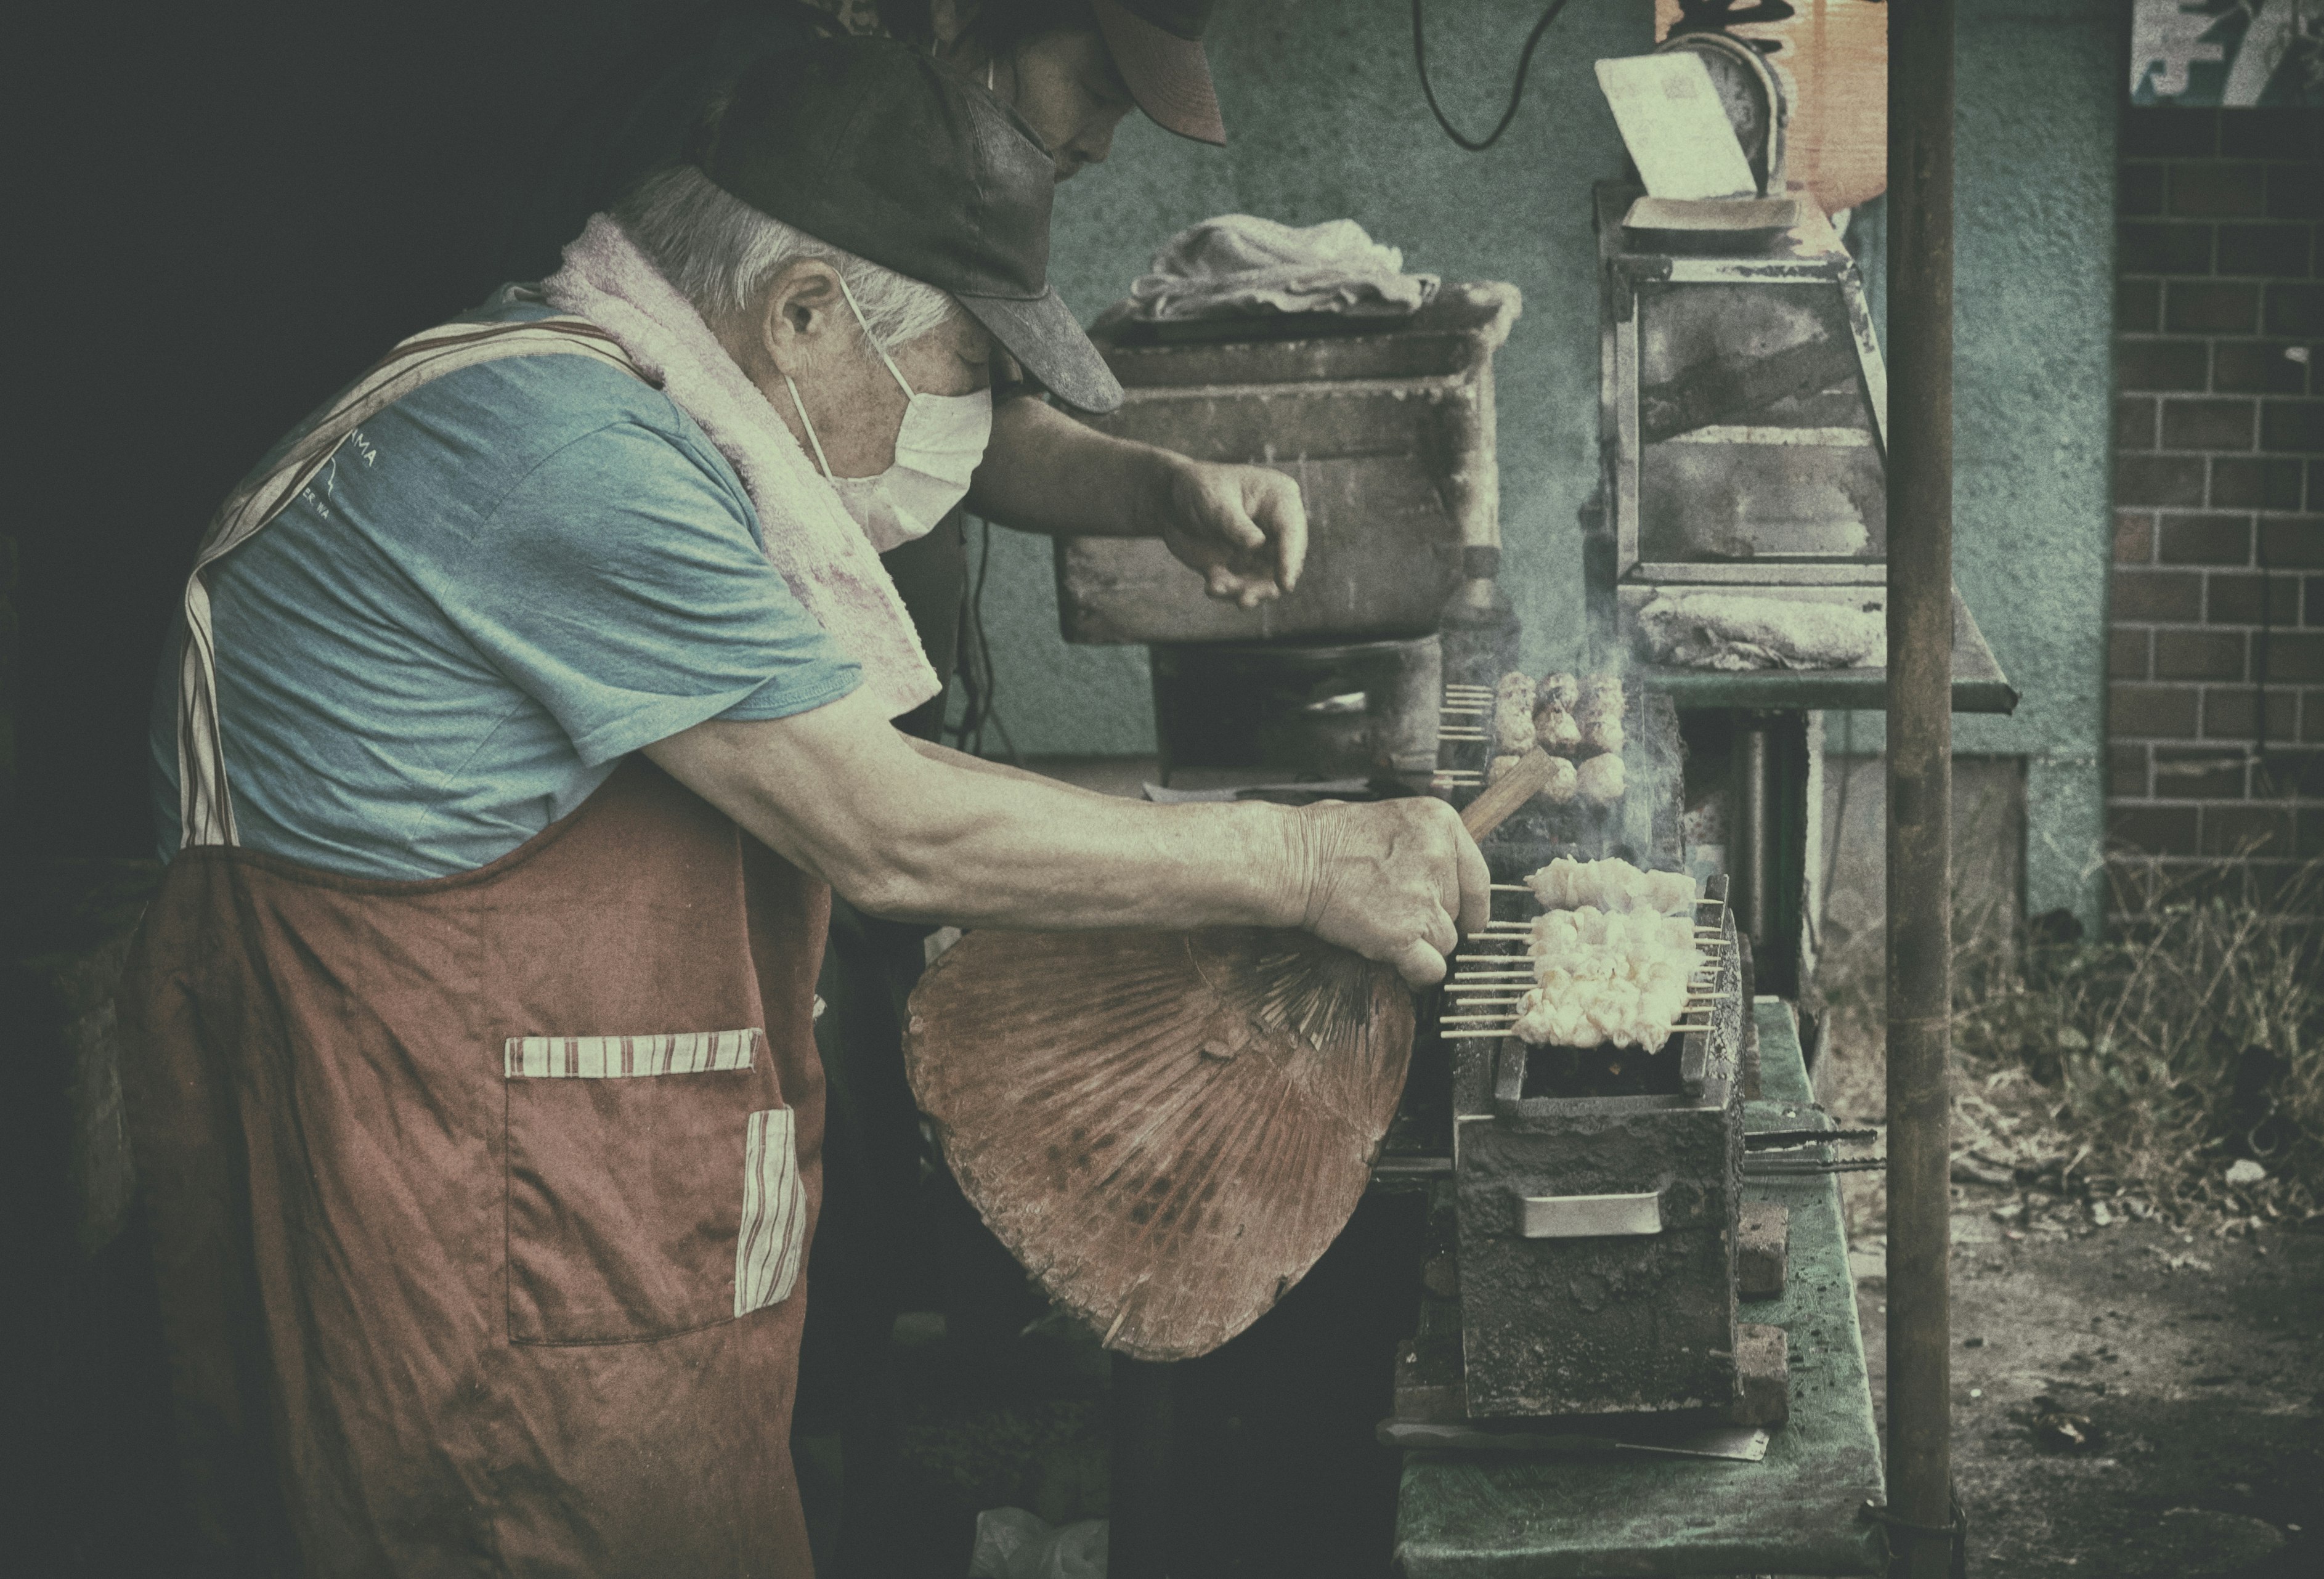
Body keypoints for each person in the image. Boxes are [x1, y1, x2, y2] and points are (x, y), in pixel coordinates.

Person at [120, 38, 1482, 1577]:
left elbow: (956, 509)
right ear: (806, 314)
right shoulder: (567, 457)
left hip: (561, 1171)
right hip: (465, 1209)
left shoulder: (625, 394)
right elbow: (883, 828)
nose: (970, 421)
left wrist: (1151, 490)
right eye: (970, 368)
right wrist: (1303, 858)